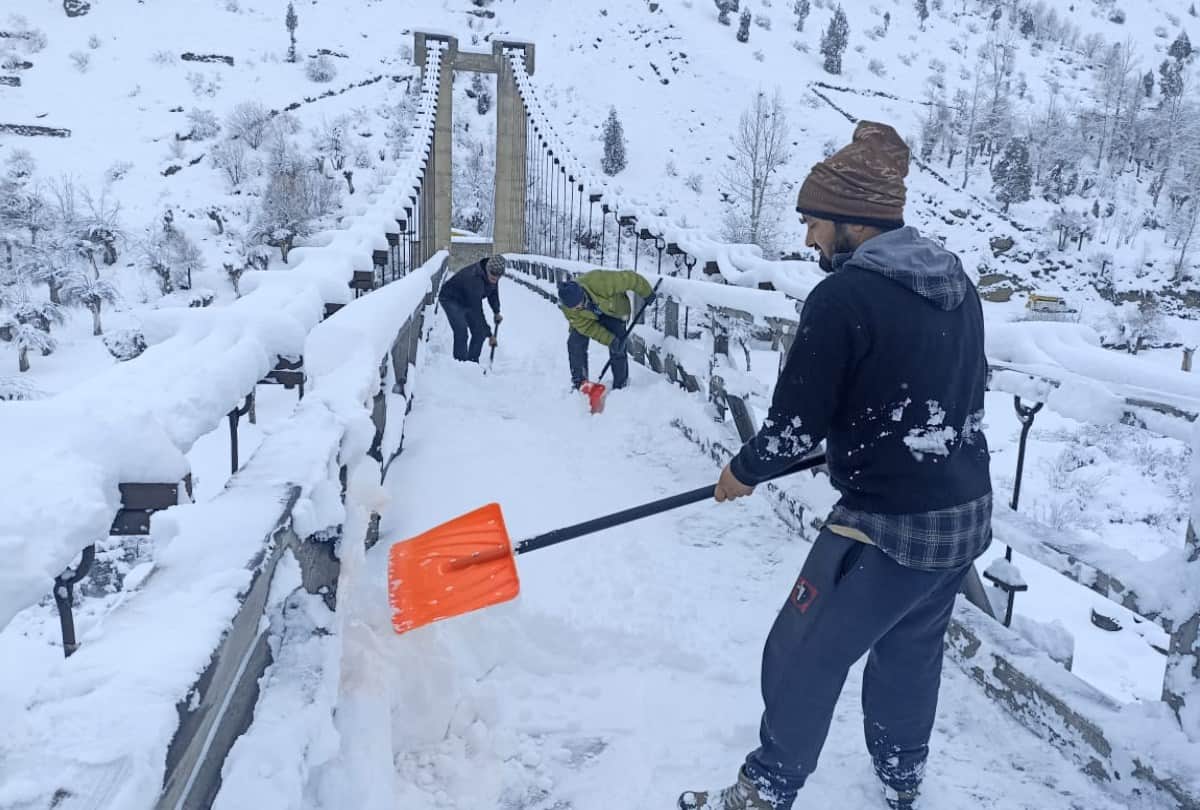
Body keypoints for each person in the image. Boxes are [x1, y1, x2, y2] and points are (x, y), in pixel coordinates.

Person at [679, 122, 992, 810]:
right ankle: (901, 778)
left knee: (801, 653)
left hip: (892, 524)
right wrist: (863, 434)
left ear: (856, 220)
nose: (808, 238)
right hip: (964, 517)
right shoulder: (955, 282)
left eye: (814, 221)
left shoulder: (842, 298)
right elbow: (952, 393)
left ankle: (764, 790)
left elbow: (791, 430)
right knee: (910, 653)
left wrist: (743, 471)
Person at [555, 269, 654, 390]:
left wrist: (647, 292)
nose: (580, 307)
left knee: (619, 343)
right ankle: (581, 385)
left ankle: (621, 385)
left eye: (581, 303)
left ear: (582, 293)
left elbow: (630, 278)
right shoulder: (569, 309)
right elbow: (588, 328)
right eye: (576, 307)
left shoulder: (600, 281)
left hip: (614, 310)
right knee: (575, 342)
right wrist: (609, 340)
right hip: (589, 318)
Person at [438, 255, 504, 363]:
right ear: (488, 269)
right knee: (461, 331)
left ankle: (472, 362)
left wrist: (496, 311)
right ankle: (461, 365)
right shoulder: (474, 279)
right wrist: (490, 334)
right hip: (450, 298)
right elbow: (477, 312)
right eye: (492, 275)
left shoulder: (493, 273)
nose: (494, 278)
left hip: (467, 299)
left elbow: (493, 293)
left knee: (479, 332)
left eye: (497, 276)